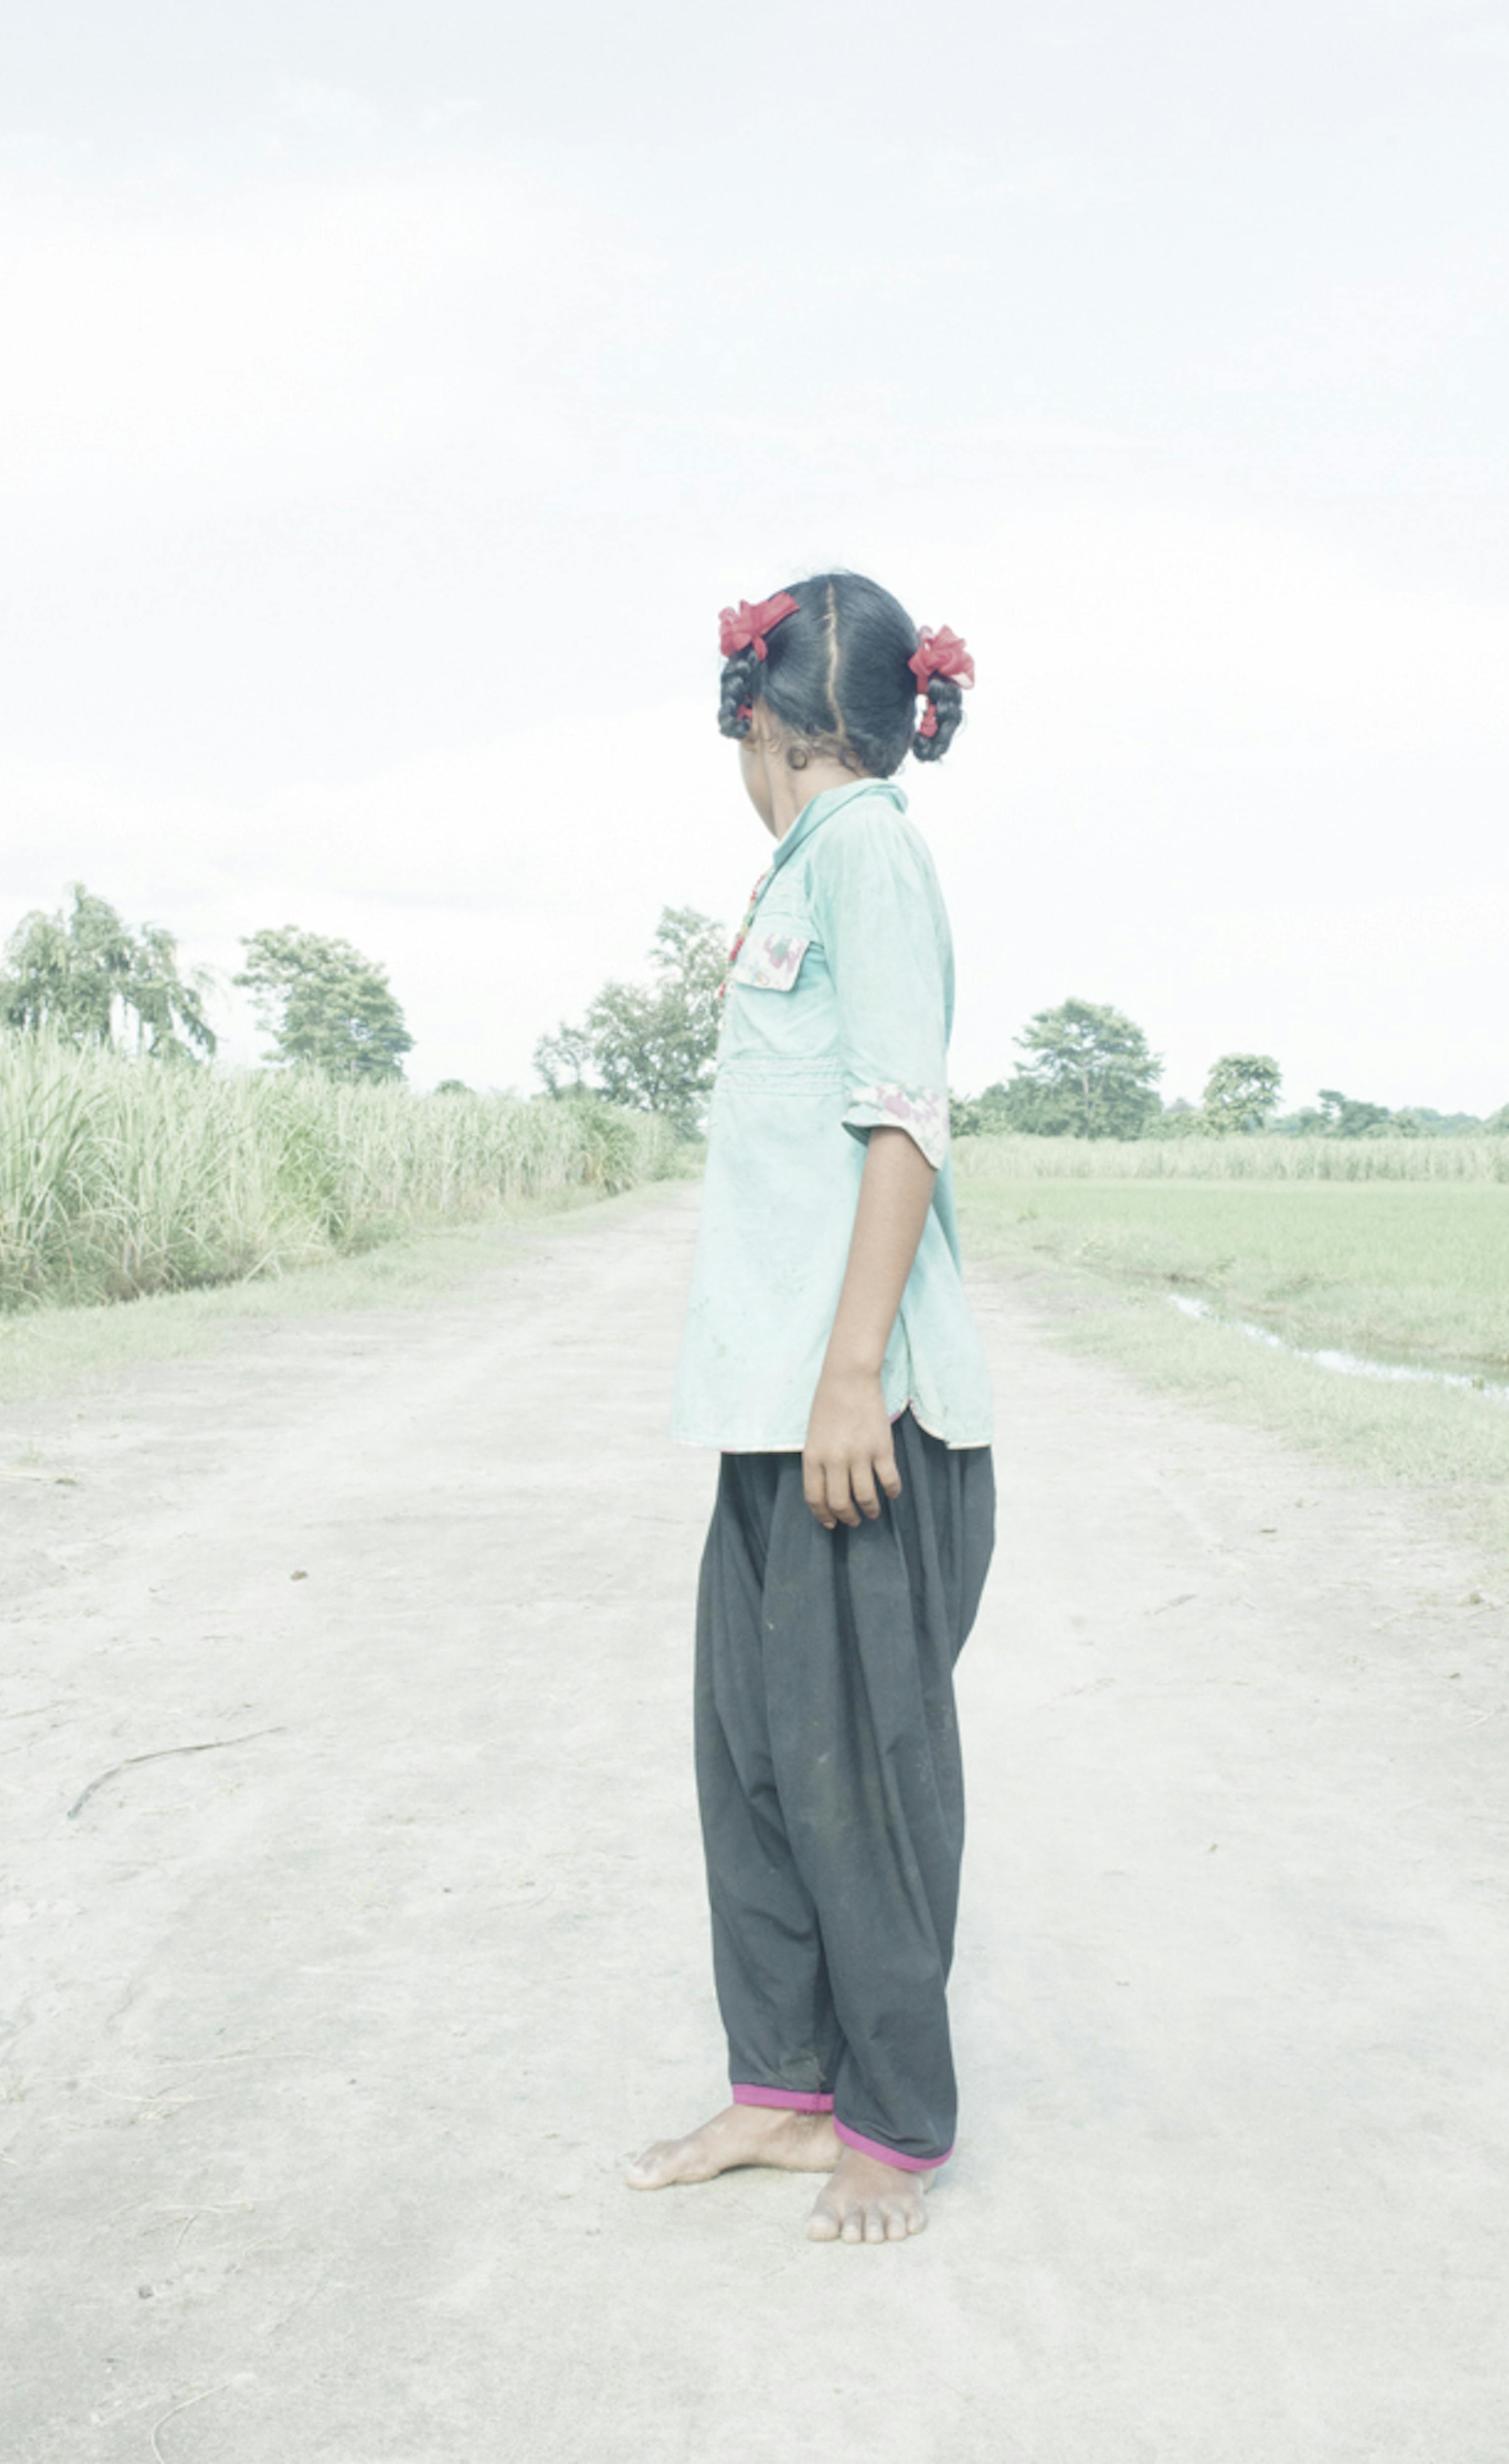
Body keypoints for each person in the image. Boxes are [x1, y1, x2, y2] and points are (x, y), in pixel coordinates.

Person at [627, 571, 995, 2246]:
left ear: (760, 720)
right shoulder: (800, 870)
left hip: (861, 1418)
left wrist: (853, 1379)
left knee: (863, 1778)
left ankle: (895, 2127)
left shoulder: (868, 854)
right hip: (772, 1410)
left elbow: (903, 1119)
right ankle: (781, 2090)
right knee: (757, 1760)